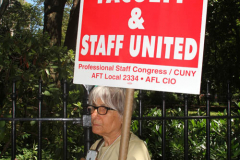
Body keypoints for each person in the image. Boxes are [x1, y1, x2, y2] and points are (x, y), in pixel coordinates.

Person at [81, 86, 150, 160]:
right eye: (93, 108)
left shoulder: (134, 148)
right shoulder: (97, 146)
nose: (93, 114)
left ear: (124, 116)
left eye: (103, 109)